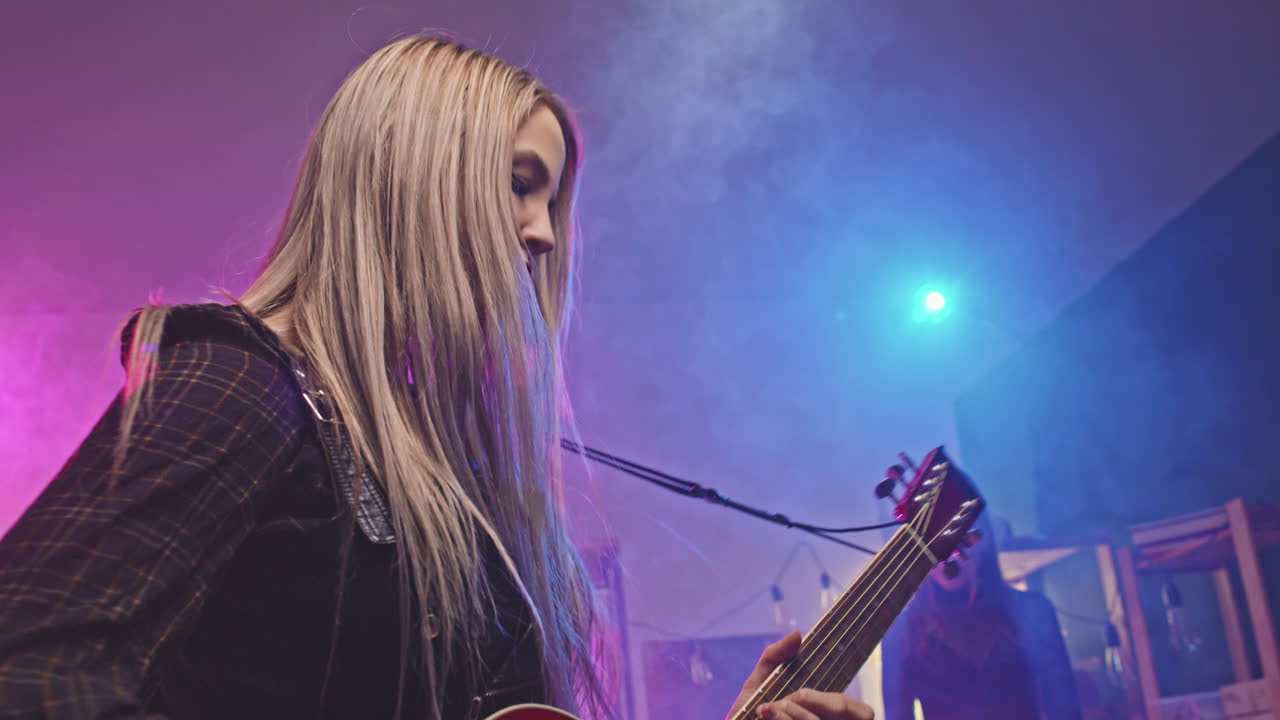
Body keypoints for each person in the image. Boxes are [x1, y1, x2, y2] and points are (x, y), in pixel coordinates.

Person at [0, 35, 873, 720]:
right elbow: (27, 673)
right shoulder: (241, 385)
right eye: (519, 186)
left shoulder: (449, 479)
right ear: (413, 182)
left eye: (551, 204)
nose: (542, 235)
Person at [880, 513, 1081, 720]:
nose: (949, 552)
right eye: (932, 540)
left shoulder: (1032, 609)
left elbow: (1065, 707)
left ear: (982, 539)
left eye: (962, 535)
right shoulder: (901, 632)